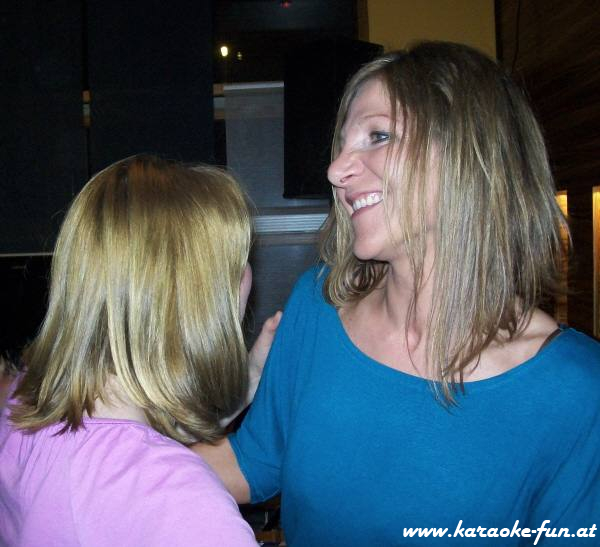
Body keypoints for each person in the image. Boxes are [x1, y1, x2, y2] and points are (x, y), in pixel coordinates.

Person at [194, 42, 600, 545]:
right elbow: (251, 464)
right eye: (343, 144)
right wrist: (117, 436)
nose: (335, 170)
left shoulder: (576, 389)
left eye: (378, 136)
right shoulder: (317, 306)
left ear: (467, 154)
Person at [0, 154, 280, 546]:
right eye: (238, 263)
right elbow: (144, 477)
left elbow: (128, 446)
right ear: (202, 303)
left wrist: (248, 380)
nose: (247, 275)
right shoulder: (186, 507)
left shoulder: (25, 401)